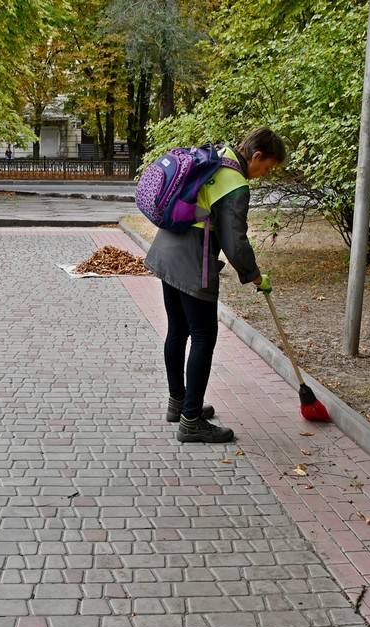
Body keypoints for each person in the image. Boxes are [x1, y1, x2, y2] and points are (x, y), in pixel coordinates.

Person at [145, 126, 287, 444]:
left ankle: (178, 403)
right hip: (192, 258)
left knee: (178, 330)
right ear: (257, 155)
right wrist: (254, 275)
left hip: (168, 247)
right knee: (204, 336)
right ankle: (191, 421)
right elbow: (234, 241)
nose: (264, 175)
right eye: (266, 168)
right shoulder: (235, 182)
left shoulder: (218, 155)